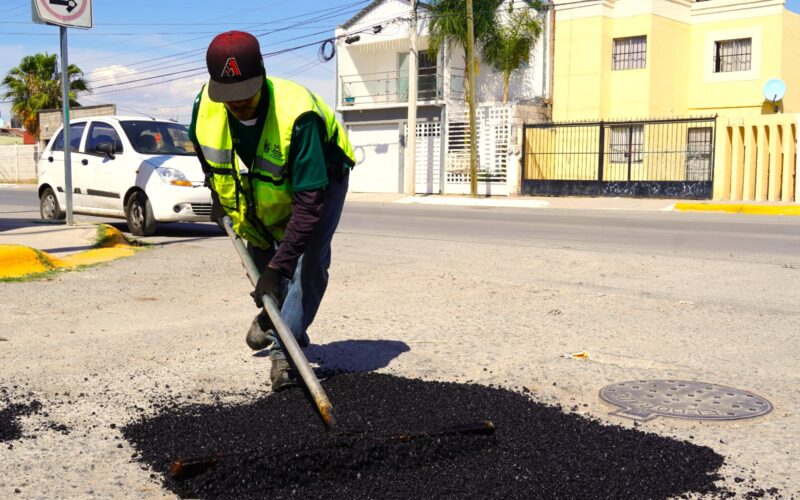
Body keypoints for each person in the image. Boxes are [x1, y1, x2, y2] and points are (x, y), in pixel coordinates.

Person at [189, 31, 355, 391]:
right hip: (263, 186)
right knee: (263, 249)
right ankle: (275, 318)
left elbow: (309, 208)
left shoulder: (299, 116)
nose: (236, 104)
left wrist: (279, 268)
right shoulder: (206, 105)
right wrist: (215, 193)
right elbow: (204, 152)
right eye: (228, 97)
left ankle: (284, 352)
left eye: (245, 94)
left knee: (306, 261)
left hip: (323, 178)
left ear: (262, 72)